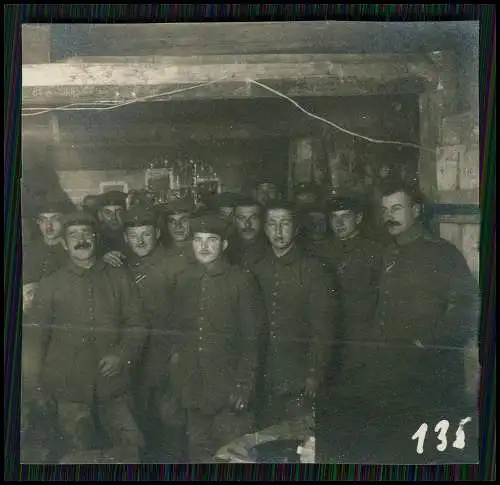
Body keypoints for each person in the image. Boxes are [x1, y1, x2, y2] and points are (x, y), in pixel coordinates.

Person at [321, 179, 481, 464]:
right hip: (391, 378)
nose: (389, 216)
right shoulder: (388, 253)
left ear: (417, 210)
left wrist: (427, 341)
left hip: (429, 377)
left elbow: (467, 308)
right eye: (385, 210)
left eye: (397, 208)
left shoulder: (441, 253)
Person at [25, 212, 147, 463]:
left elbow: (138, 324)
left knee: (132, 452)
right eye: (73, 235)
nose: (81, 240)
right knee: (77, 456)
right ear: (64, 243)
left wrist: (122, 356)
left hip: (114, 387)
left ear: (96, 238)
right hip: (69, 391)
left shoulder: (118, 277)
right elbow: (35, 341)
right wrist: (35, 388)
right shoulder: (50, 285)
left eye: (86, 234)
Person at [171, 211, 266, 462]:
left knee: (232, 458)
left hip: (229, 394)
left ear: (224, 245)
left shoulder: (241, 280)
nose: (203, 246)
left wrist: (243, 387)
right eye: (198, 240)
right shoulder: (184, 280)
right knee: (198, 456)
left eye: (211, 240)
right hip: (194, 393)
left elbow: (252, 340)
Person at [251, 201, 338, 429]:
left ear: (297, 227)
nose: (278, 231)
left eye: (285, 223)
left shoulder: (314, 270)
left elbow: (323, 328)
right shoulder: (256, 269)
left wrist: (314, 373)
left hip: (298, 378)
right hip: (263, 376)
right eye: (272, 224)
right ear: (265, 228)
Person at [314, 195, 384, 462]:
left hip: (362, 342)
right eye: (334, 218)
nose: (339, 223)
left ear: (359, 218)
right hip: (329, 343)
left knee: (360, 408)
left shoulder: (375, 252)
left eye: (345, 217)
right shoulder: (321, 251)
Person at [158, 198, 197, 280]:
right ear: (167, 225)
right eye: (172, 221)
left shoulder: (202, 251)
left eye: (184, 220)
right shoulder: (160, 254)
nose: (178, 226)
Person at [229, 196, 268, 270]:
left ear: (262, 220)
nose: (247, 224)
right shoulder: (225, 250)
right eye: (241, 218)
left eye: (253, 218)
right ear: (234, 221)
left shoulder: (272, 249)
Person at [94, 190, 129, 266]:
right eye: (108, 213)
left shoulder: (134, 235)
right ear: (100, 215)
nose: (113, 218)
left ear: (126, 213)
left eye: (118, 212)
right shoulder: (95, 240)